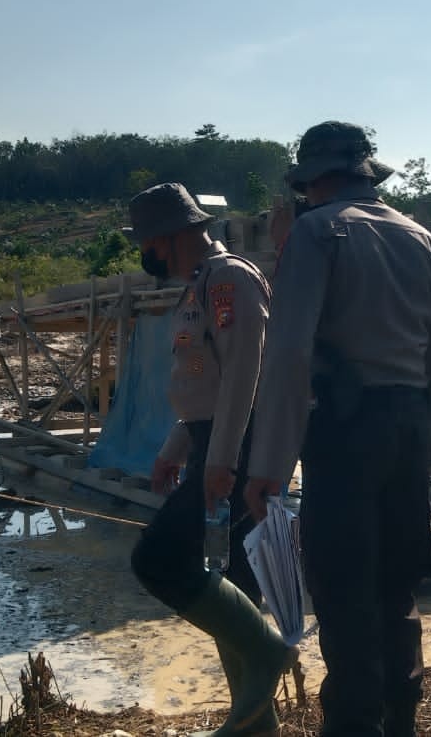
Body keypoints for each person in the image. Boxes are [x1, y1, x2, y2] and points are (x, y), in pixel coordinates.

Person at [245, 121, 431, 737]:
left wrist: (268, 468)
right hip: (407, 430)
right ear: (368, 174)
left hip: (343, 435)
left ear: (312, 181)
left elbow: (287, 355)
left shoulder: (316, 232)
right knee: (397, 591)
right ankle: (402, 724)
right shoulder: (423, 239)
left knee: (344, 596)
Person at [124, 182, 291, 736]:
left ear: (169, 237)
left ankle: (268, 656)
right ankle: (254, 721)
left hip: (240, 447)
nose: (144, 253)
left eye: (147, 242)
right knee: (237, 584)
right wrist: (176, 450)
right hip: (213, 444)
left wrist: (219, 459)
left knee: (158, 559)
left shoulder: (229, 280)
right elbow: (204, 387)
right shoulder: (197, 285)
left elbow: (246, 374)